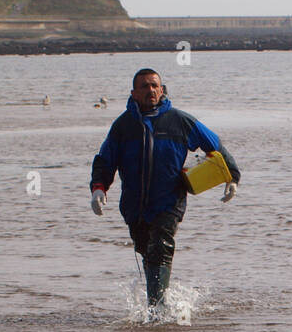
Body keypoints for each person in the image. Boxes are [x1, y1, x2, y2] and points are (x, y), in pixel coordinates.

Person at [89, 68, 241, 312]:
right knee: (146, 251)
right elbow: (105, 160)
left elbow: (215, 146)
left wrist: (232, 177)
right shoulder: (123, 126)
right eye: (144, 86)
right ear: (134, 92)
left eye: (154, 86)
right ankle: (161, 302)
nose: (150, 90)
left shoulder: (180, 121)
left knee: (160, 247)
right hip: (133, 205)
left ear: (161, 89)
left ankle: (157, 310)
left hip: (169, 201)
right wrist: (98, 188)